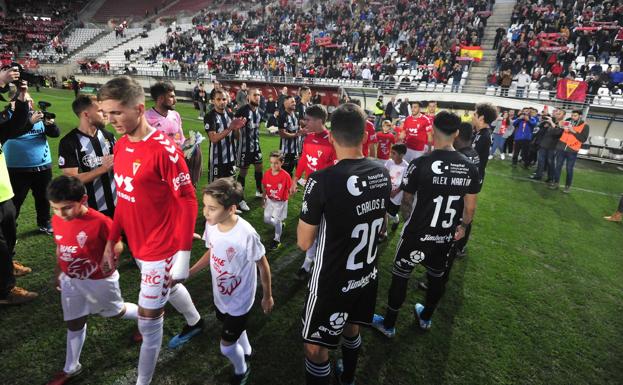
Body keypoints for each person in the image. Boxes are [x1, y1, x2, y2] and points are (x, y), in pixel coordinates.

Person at [98, 76, 204, 385]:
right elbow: (125, 200)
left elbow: (187, 200)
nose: (110, 119)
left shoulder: (164, 150)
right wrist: (113, 239)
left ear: (139, 109)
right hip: (139, 243)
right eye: (106, 113)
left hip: (162, 248)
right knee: (168, 290)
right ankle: (195, 321)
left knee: (147, 322)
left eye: (116, 112)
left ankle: (142, 382)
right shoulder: (119, 147)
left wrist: (183, 253)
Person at [298, 103, 391, 385]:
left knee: (315, 347)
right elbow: (383, 224)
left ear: (331, 136)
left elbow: (304, 243)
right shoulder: (382, 172)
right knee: (351, 328)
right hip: (366, 274)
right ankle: (349, 378)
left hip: (332, 281)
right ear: (364, 136)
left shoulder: (322, 180)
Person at [371, 111, 478, 337]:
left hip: (417, 233)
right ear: (457, 134)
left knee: (401, 275)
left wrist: (409, 221)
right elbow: (469, 208)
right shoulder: (469, 166)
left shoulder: (420, 163)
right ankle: (426, 318)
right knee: (436, 277)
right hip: (444, 235)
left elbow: (407, 200)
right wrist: (463, 227)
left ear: (432, 131)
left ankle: (389, 324)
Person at [45, 176, 138, 385]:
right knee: (74, 321)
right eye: (55, 208)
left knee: (116, 312)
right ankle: (71, 367)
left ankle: (146, 318)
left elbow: (118, 245)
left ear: (83, 199)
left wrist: (110, 259)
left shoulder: (101, 222)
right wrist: (59, 271)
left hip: (99, 280)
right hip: (71, 280)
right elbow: (60, 247)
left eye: (67, 208)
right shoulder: (58, 219)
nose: (61, 214)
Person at [189, 178, 273, 385]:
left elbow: (263, 265)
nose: (205, 213)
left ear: (231, 209)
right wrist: (190, 272)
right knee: (234, 331)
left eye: (212, 208)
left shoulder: (246, 234)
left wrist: (267, 296)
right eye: (205, 206)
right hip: (221, 296)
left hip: (240, 300)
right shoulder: (212, 225)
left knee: (226, 346)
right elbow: (211, 252)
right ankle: (246, 350)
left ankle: (241, 369)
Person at [0, 72, 39, 305]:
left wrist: (22, 99)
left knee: (9, 233)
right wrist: (2, 82)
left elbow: (14, 127)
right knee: (0, 242)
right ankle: (5, 291)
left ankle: (7, 267)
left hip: (4, 191)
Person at [4, 94, 60, 234]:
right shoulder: (6, 118)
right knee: (15, 200)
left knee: (43, 197)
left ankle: (44, 222)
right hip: (16, 168)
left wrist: (50, 125)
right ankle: (9, 227)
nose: (29, 103)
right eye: (25, 100)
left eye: (30, 100)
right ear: (13, 103)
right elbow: (12, 133)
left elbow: (55, 134)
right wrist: (29, 122)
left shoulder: (38, 115)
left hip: (42, 165)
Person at [292, 105, 336, 280]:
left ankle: (316, 262)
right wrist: (295, 179)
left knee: (322, 230)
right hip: (310, 190)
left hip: (327, 193)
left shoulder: (332, 140)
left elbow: (335, 168)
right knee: (311, 229)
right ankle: (308, 263)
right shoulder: (308, 137)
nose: (305, 122)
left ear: (320, 121)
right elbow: (303, 159)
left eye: (308, 119)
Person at [58, 95, 116, 218]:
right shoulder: (69, 142)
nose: (105, 114)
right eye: (100, 110)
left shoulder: (108, 136)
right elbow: (71, 180)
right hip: (90, 210)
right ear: (86, 115)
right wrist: (103, 169)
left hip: (118, 204)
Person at [205, 89, 246, 184]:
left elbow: (237, 137)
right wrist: (230, 128)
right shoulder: (210, 116)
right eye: (218, 99)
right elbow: (213, 138)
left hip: (231, 158)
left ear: (227, 100)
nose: (222, 102)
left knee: (230, 187)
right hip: (216, 160)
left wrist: (237, 129)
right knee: (215, 188)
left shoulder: (231, 115)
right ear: (213, 100)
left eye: (224, 99)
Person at [235, 88, 264, 211]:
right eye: (255, 95)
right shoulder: (242, 110)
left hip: (256, 146)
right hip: (244, 148)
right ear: (248, 97)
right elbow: (235, 128)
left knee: (259, 166)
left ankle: (259, 190)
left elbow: (257, 129)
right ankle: (240, 199)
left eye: (259, 95)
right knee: (243, 172)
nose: (257, 97)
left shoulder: (260, 112)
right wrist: (238, 140)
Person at [550, 110, 590, 193]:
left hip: (572, 150)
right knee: (558, 166)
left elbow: (583, 139)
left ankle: (567, 186)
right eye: (572, 115)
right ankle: (556, 183)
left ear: (580, 116)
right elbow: (561, 132)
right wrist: (561, 127)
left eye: (575, 115)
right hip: (561, 148)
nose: (572, 117)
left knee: (569, 169)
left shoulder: (585, 126)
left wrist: (573, 131)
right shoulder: (568, 120)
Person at [262, 151, 292, 250]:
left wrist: (287, 195)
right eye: (271, 162)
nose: (273, 165)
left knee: (277, 220)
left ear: (281, 163)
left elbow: (290, 189)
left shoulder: (286, 176)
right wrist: (263, 199)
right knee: (266, 220)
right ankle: (279, 224)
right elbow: (265, 187)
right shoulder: (267, 174)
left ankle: (277, 240)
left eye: (276, 163)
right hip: (269, 200)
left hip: (280, 202)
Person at [381, 143, 408, 240]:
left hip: (396, 195)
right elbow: (385, 174)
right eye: (391, 152)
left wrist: (396, 192)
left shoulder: (406, 166)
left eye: (394, 153)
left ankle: (396, 220)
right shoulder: (389, 162)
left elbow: (405, 182)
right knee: (384, 212)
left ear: (401, 155)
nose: (391, 155)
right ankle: (383, 233)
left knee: (391, 213)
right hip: (387, 191)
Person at [530, 109, 565, 183]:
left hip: (552, 147)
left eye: (559, 113)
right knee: (541, 161)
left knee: (550, 163)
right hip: (544, 144)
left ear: (564, 116)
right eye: (556, 113)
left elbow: (558, 133)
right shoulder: (553, 121)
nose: (557, 114)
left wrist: (551, 122)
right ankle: (538, 175)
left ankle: (551, 178)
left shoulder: (563, 123)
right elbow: (540, 126)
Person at [471, 103, 497, 186]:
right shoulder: (479, 132)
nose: (472, 116)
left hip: (474, 176)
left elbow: (471, 157)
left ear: (481, 118)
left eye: (475, 114)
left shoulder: (484, 136)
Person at [278, 95, 302, 175]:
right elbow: (282, 134)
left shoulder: (296, 115)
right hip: (286, 151)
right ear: (285, 103)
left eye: (294, 101)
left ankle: (289, 186)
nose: (294, 103)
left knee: (291, 171)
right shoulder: (282, 116)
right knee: (284, 172)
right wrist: (296, 135)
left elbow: (299, 129)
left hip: (295, 150)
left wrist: (303, 131)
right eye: (292, 102)